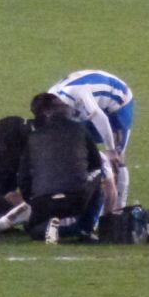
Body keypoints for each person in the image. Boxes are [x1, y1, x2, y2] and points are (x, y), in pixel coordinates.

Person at [19, 93, 109, 244]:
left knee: (33, 230)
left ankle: (51, 228)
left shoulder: (34, 137)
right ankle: (86, 229)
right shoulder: (79, 129)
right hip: (76, 199)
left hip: (43, 201)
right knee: (99, 175)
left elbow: (23, 177)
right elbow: (96, 163)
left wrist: (32, 201)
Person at [49, 69, 134, 209]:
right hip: (91, 106)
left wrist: (111, 150)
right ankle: (91, 200)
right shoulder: (54, 99)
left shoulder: (78, 93)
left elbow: (100, 118)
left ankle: (118, 209)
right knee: (79, 152)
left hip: (118, 104)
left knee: (116, 160)